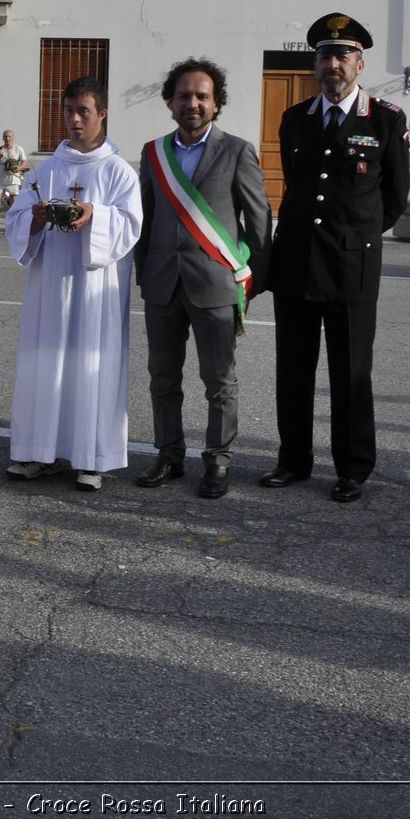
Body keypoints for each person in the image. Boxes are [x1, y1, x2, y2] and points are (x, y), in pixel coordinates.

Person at [262, 12, 410, 503]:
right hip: (297, 263)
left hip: (351, 267)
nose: (333, 64)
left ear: (360, 64)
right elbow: (298, 187)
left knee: (351, 374)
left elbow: (394, 199)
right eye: (324, 55)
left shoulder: (386, 119)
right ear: (316, 65)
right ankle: (293, 459)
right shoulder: (294, 118)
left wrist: (356, 238)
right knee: (294, 368)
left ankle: (352, 468)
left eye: (343, 55)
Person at [134, 58, 272, 499]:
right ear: (170, 102)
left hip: (215, 284)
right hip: (162, 284)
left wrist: (248, 277)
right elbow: (146, 218)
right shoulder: (154, 153)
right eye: (184, 96)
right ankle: (169, 454)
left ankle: (218, 460)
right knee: (162, 378)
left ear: (217, 103)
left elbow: (259, 221)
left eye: (202, 96)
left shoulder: (237, 150)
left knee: (219, 380)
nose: (192, 103)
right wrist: (145, 274)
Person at [5, 77, 142, 490]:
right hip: (49, 287)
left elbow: (132, 224)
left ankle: (91, 458)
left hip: (94, 289)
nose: (75, 119)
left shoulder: (119, 172)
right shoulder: (48, 169)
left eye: (83, 111)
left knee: (90, 365)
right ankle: (39, 453)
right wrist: (35, 218)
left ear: (102, 114)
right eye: (68, 111)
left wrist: (93, 215)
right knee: (44, 364)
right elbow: (17, 217)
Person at [0, 129, 29, 224]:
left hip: (13, 179)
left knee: (13, 199)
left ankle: (13, 217)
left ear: (12, 137)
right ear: (3, 138)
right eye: (5, 136)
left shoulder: (18, 149)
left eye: (9, 136)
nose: (7, 138)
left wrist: (19, 168)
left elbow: (24, 162)